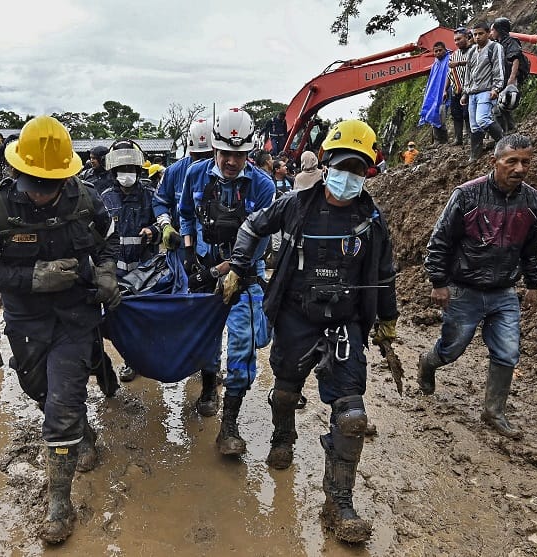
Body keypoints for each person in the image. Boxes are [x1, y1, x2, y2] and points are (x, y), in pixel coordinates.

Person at [226, 119, 398, 543]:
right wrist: (237, 266)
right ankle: (282, 435)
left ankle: (339, 502)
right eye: (343, 167)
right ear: (326, 164)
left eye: (358, 170)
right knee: (285, 390)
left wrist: (387, 322)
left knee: (353, 416)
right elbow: (252, 227)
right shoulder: (296, 204)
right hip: (296, 316)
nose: (349, 177)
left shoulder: (371, 219)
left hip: (344, 324)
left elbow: (384, 273)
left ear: (368, 172)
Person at [0, 116, 119, 544]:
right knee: (39, 390)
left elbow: (110, 241)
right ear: (16, 171)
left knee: (63, 400)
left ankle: (60, 504)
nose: (44, 192)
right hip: (26, 318)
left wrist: (106, 272)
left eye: (53, 183)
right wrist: (32, 277)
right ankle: (81, 430)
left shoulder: (86, 200)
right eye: (35, 182)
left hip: (75, 314)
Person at [420, 134, 537, 440]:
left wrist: (533, 283)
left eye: (525, 162)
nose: (519, 168)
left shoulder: (532, 200)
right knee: (452, 349)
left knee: (507, 352)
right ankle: (428, 362)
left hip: (504, 292)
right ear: (494, 162)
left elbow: (531, 247)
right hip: (465, 289)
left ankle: (493, 411)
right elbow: (441, 240)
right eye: (511, 161)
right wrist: (439, 282)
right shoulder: (467, 195)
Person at [178, 107, 275, 455]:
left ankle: (229, 423)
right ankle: (207, 387)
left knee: (242, 345)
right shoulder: (195, 176)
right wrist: (189, 255)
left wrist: (226, 269)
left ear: (249, 153)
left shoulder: (263, 186)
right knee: (204, 336)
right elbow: (186, 216)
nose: (232, 161)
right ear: (215, 149)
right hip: (204, 267)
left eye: (240, 155)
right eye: (225, 153)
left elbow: (261, 238)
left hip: (245, 273)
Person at [152, 116, 214, 411]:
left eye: (206, 156)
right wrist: (166, 225)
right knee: (183, 310)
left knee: (211, 317)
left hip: (213, 257)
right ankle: (187, 360)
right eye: (197, 156)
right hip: (180, 255)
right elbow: (159, 201)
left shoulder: (220, 174)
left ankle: (210, 379)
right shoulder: (174, 172)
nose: (201, 162)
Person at [96, 139, 158, 382]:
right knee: (122, 322)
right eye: (122, 170)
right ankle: (131, 362)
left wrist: (153, 229)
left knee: (147, 319)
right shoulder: (106, 197)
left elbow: (166, 218)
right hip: (118, 273)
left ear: (139, 170)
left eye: (131, 169)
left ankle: (149, 360)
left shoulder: (151, 195)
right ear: (113, 172)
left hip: (146, 272)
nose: (127, 174)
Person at [462, 21, 506, 161]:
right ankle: (475, 154)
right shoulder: (471, 52)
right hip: (472, 92)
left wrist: (497, 88)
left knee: (482, 119)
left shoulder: (494, 47)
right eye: (475, 34)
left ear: (488, 33)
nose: (477, 37)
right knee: (474, 126)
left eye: (481, 33)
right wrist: (465, 92)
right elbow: (468, 73)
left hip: (486, 90)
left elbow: (498, 68)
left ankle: (503, 143)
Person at [490, 17, 527, 134]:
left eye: (492, 30)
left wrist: (511, 79)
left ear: (499, 30)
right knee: (498, 107)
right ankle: (505, 130)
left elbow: (515, 59)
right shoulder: (498, 44)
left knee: (504, 104)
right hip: (501, 79)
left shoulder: (511, 42)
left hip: (509, 78)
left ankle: (510, 129)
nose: (491, 33)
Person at [447, 28, 474, 146]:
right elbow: (450, 73)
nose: (457, 42)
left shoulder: (474, 50)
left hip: (469, 88)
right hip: (456, 88)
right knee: (455, 114)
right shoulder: (454, 55)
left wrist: (458, 64)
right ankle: (458, 138)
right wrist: (445, 90)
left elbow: (475, 63)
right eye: (455, 40)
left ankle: (470, 136)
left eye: (459, 39)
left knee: (467, 113)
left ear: (467, 37)